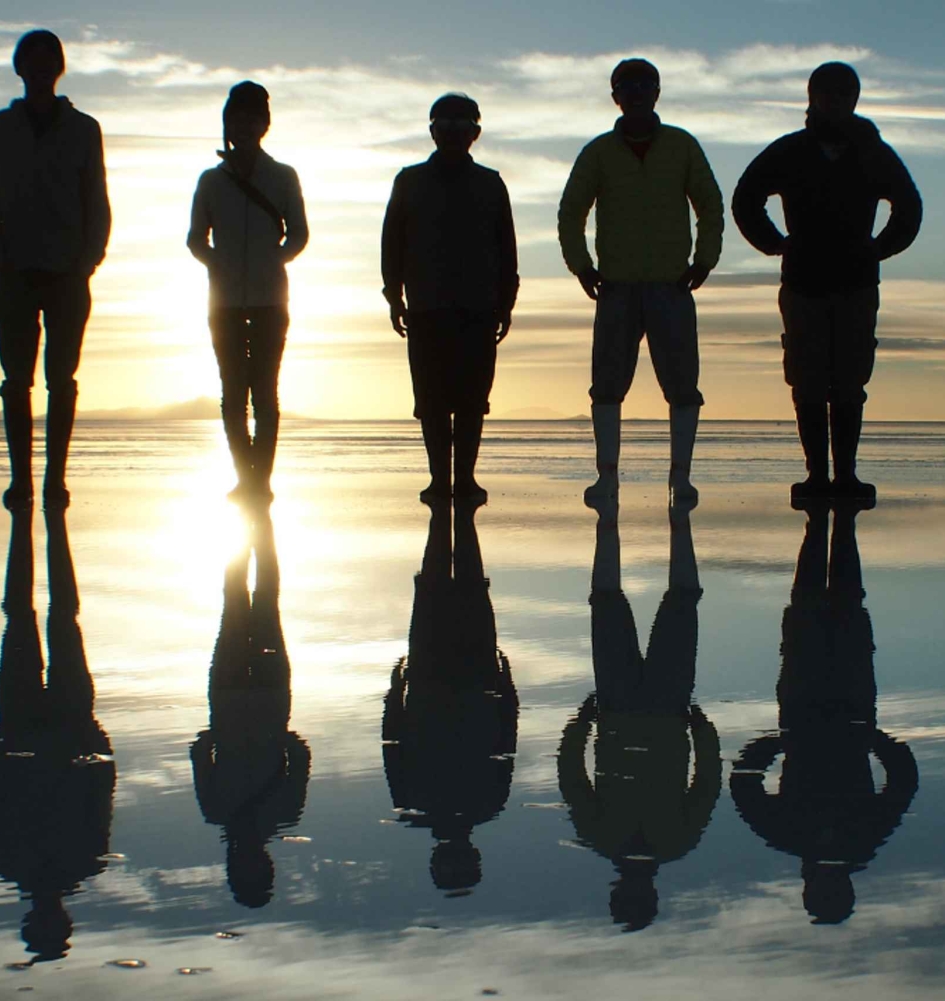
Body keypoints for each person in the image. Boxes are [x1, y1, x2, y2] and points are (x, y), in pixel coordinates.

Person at [732, 62, 922, 506]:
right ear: (813, 98)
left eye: (843, 95)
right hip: (803, 284)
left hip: (856, 283)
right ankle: (817, 476)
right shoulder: (792, 151)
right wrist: (774, 243)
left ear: (853, 101)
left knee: (851, 381)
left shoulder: (873, 152)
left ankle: (847, 477)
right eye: (826, 94)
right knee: (808, 380)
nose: (834, 102)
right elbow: (746, 197)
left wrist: (878, 248)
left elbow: (909, 208)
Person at [730, 502, 917, 924]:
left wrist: (776, 743)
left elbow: (745, 785)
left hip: (806, 706)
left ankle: (822, 521)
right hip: (846, 706)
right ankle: (837, 521)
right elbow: (902, 782)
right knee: (837, 603)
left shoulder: (790, 836)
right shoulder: (861, 838)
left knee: (810, 605)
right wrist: (876, 740)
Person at [558, 58, 724, 510]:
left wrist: (705, 259)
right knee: (607, 386)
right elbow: (572, 211)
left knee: (683, 385)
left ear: (656, 92)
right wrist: (582, 265)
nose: (635, 93)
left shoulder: (682, 146)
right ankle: (606, 478)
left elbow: (709, 204)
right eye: (626, 86)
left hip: (672, 285)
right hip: (615, 287)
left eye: (644, 85)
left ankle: (682, 480)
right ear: (615, 96)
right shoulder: (598, 153)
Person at [557, 508, 720, 931]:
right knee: (680, 603)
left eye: (626, 896)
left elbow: (573, 778)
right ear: (650, 893)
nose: (632, 888)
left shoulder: (600, 837)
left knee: (609, 603)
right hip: (667, 708)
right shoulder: (677, 842)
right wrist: (703, 731)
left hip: (620, 706)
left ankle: (606, 515)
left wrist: (581, 723)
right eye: (637, 896)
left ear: (617, 891)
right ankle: (679, 516)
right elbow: (706, 786)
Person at [0, 29, 111, 512]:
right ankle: (22, 482)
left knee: (62, 380)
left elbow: (97, 199)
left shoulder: (83, 129)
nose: (38, 68)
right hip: (13, 274)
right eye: (30, 60)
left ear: (59, 67)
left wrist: (87, 260)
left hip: (68, 274)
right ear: (19, 67)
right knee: (16, 381)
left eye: (47, 59)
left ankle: (55, 480)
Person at [0, 507, 115, 964]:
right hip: (63, 728)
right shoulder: (78, 863)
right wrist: (98, 744)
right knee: (54, 620)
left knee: (32, 619)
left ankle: (33, 524)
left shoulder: (15, 864)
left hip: (29, 729)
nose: (47, 915)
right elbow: (100, 799)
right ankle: (44, 524)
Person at [382, 94, 519, 505]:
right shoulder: (408, 181)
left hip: (478, 309)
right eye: (445, 127)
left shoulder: (490, 184)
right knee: (431, 401)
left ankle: (466, 480)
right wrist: (394, 294)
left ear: (474, 134)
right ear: (432, 132)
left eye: (461, 128)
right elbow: (392, 242)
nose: (453, 135)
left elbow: (506, 247)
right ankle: (440, 480)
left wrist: (506, 302)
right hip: (426, 308)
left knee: (473, 402)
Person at [382, 501, 518, 893]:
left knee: (443, 585)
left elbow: (394, 745)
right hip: (460, 679)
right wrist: (507, 691)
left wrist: (395, 693)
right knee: (455, 585)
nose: (458, 856)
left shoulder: (424, 804)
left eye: (451, 864)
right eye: (463, 863)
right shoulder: (485, 803)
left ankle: (447, 511)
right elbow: (505, 740)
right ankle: (452, 512)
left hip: (437, 680)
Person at [188, 82, 310, 501]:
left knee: (264, 392)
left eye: (252, 117)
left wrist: (272, 259)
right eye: (236, 117)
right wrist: (216, 261)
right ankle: (245, 476)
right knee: (232, 393)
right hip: (222, 302)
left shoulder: (282, 176)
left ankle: (263, 480)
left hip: (270, 301)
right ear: (227, 122)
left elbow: (298, 234)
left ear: (265, 124)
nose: (244, 124)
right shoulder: (210, 181)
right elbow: (195, 239)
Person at [191, 508, 310, 909]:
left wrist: (275, 735)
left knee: (254, 602)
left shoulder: (277, 812)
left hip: (254, 700)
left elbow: (300, 756)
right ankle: (255, 521)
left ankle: (254, 522)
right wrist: (275, 735)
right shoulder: (265, 812)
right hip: (246, 700)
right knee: (247, 603)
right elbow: (199, 754)